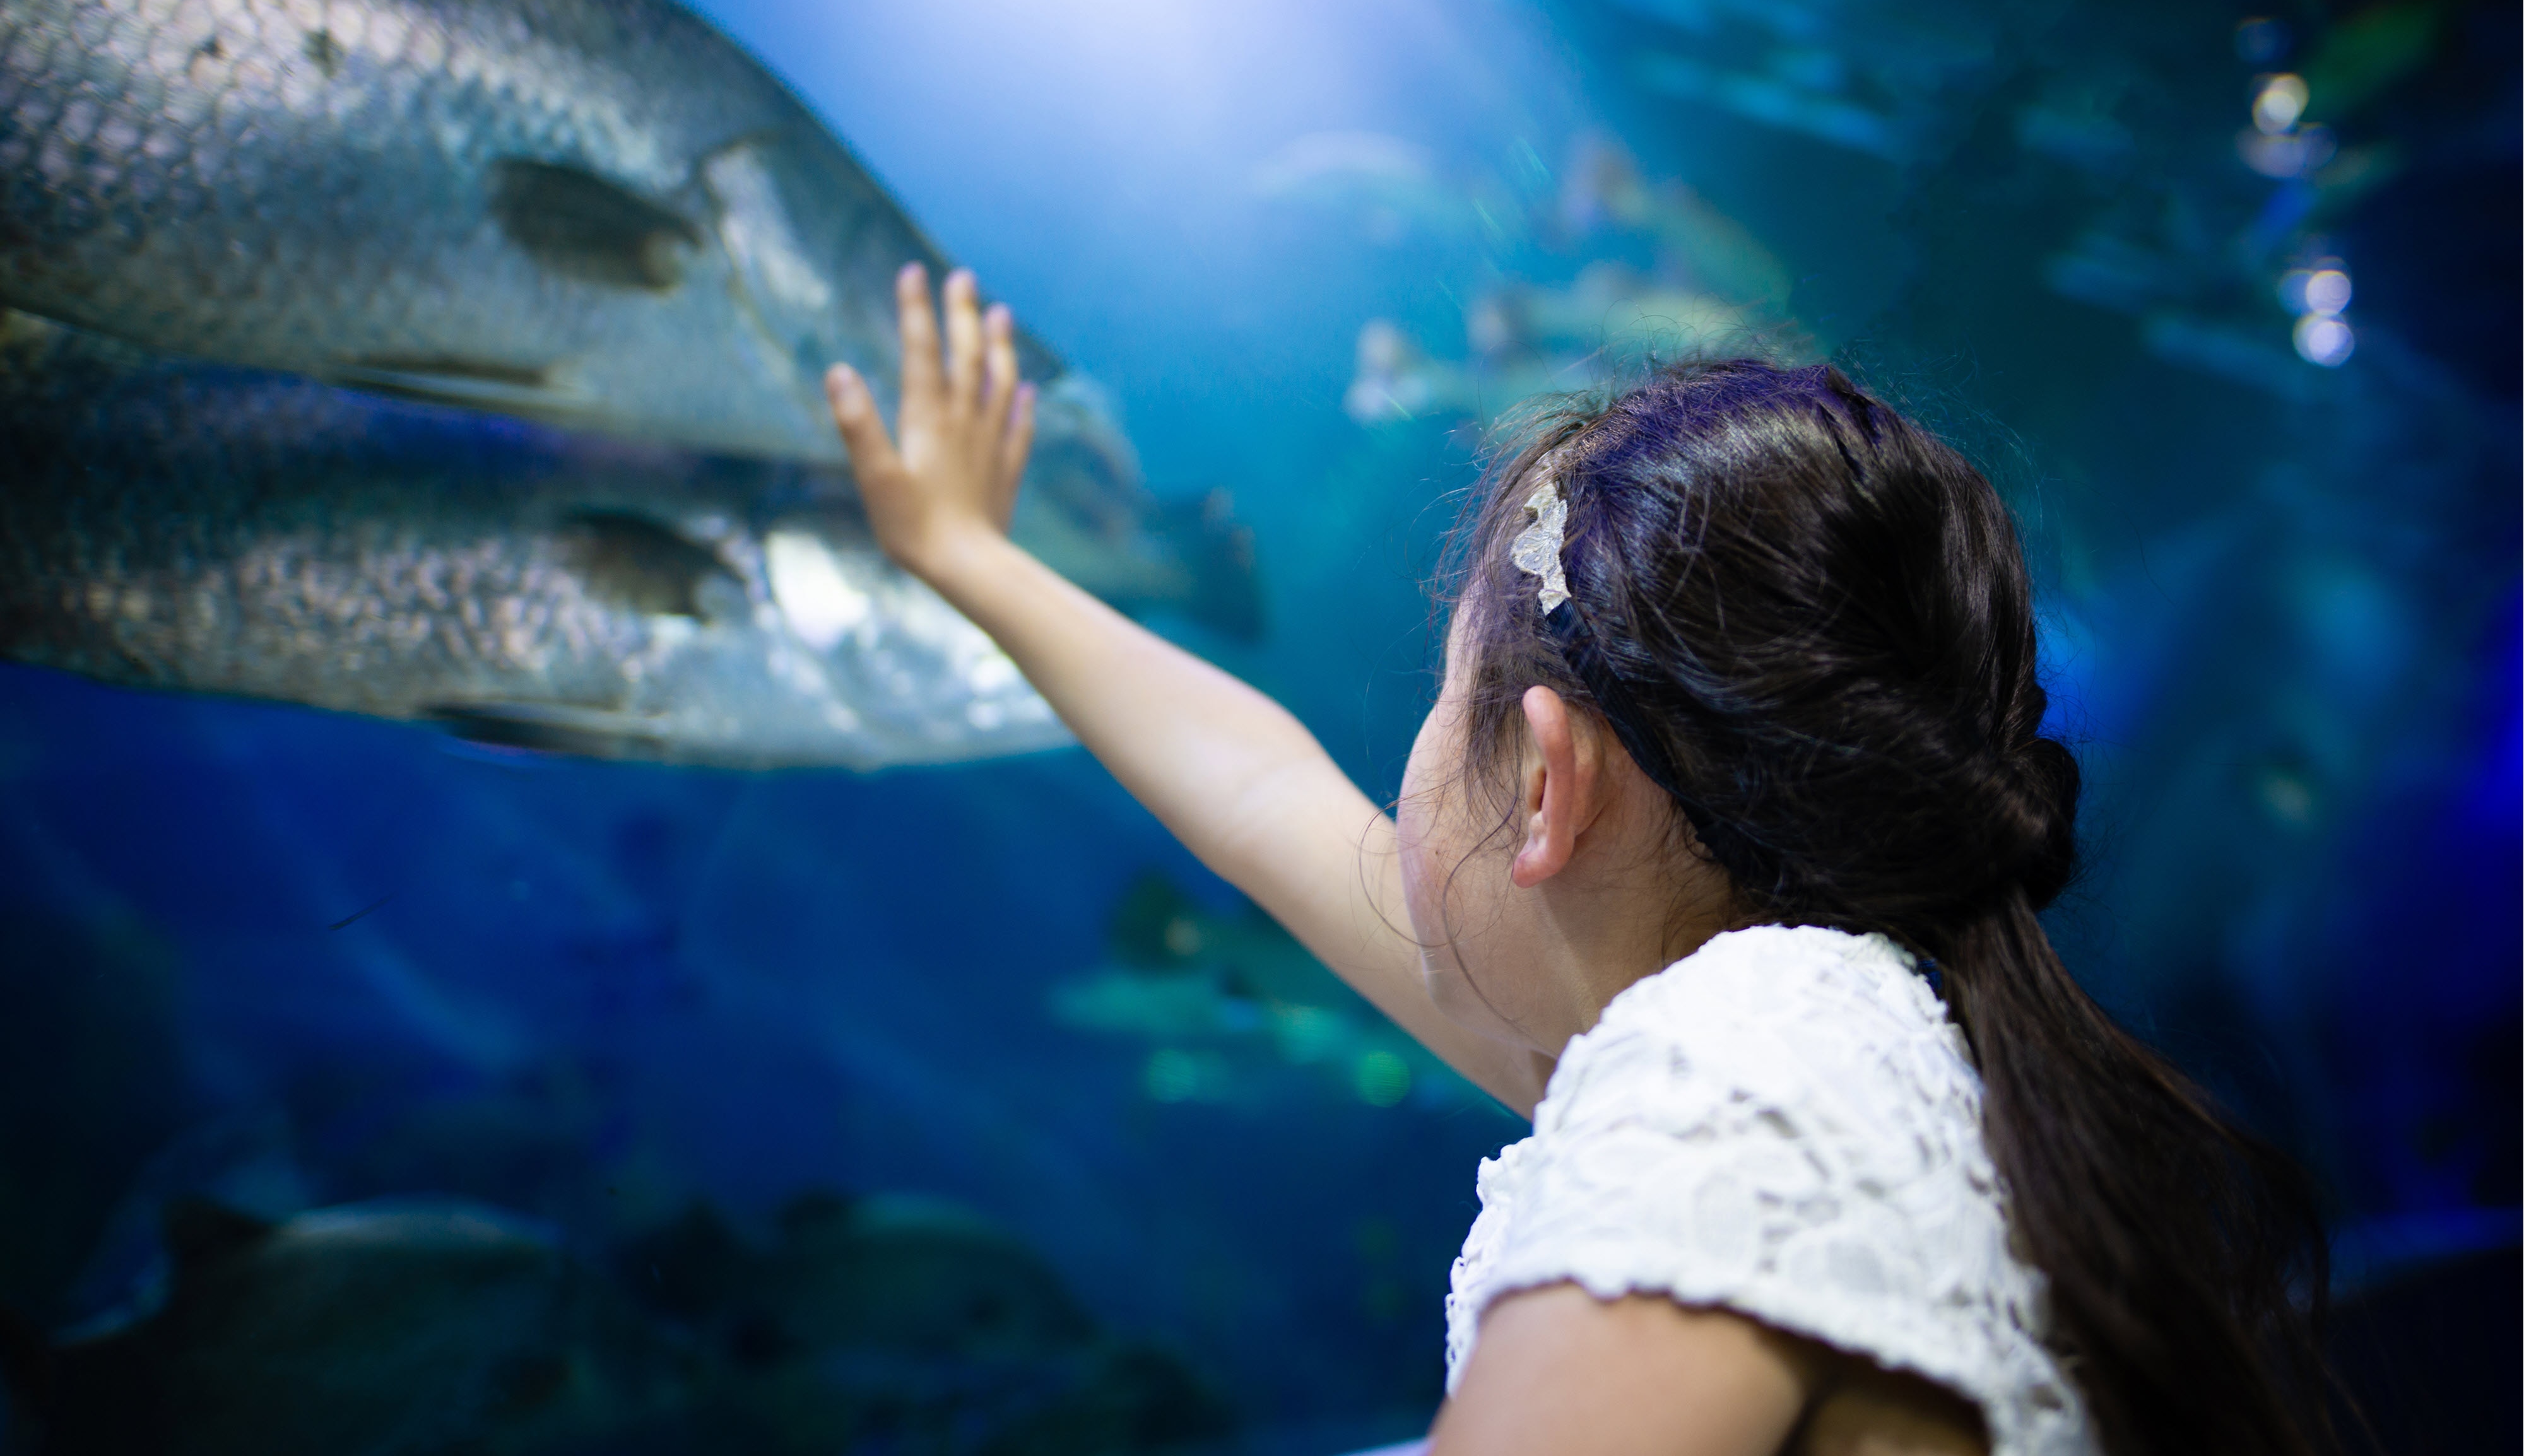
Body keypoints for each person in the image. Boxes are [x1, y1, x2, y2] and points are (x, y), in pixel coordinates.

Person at [823, 266, 2338, 1456]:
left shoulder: (1730, 1080)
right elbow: (1257, 793)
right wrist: (972, 557)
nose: (1395, 778)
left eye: (1434, 699)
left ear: (1544, 785)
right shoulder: (1821, 1030)